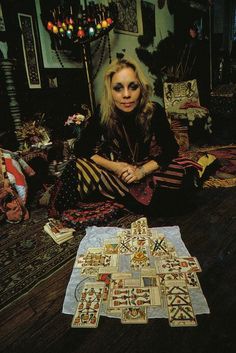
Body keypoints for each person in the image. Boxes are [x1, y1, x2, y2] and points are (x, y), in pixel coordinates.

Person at [49, 57, 201, 217]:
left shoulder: (154, 110)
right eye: (118, 88)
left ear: (141, 88)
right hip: (116, 171)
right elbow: (82, 148)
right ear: (110, 91)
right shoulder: (103, 112)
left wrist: (141, 171)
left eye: (133, 87)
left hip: (147, 169)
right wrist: (116, 167)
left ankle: (118, 198)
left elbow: (170, 150)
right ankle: (128, 199)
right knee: (77, 166)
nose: (126, 95)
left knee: (180, 177)